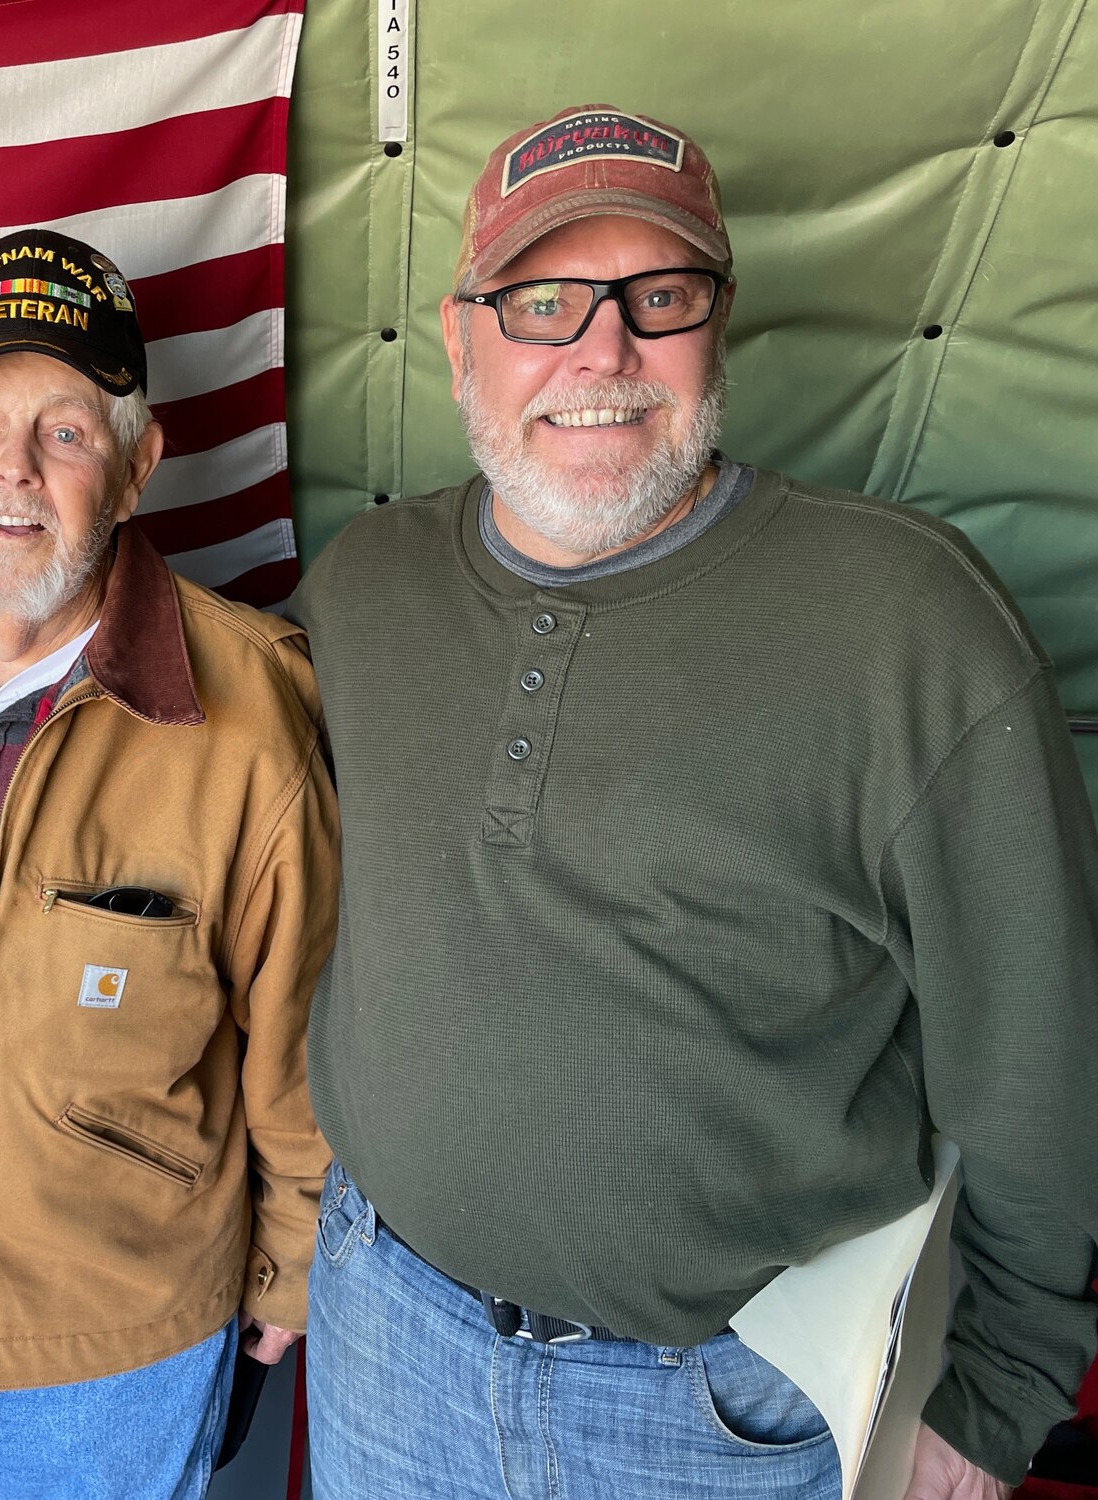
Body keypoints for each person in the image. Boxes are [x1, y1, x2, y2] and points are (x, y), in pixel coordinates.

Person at [288, 105, 1098, 1500]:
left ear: (720, 323)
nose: (603, 353)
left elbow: (1040, 1060)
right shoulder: (365, 589)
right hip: (382, 1336)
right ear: (463, 330)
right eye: (545, 300)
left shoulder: (909, 624)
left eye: (658, 298)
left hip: (714, 1412)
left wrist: (1002, 1394)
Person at [0, 228, 339, 1499]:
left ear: (138, 466)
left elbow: (298, 1021)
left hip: (112, 1337)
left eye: (66, 433)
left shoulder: (248, 710)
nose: (11, 475)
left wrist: (290, 1264)